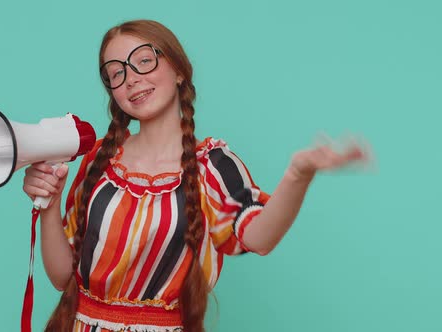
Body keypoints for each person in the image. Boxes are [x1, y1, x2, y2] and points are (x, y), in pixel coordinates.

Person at [22, 19, 369, 332]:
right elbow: (60, 277)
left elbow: (259, 238)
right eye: (116, 74)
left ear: (179, 70)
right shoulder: (98, 158)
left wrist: (298, 173)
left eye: (144, 61)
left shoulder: (213, 165)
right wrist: (49, 205)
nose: (131, 79)